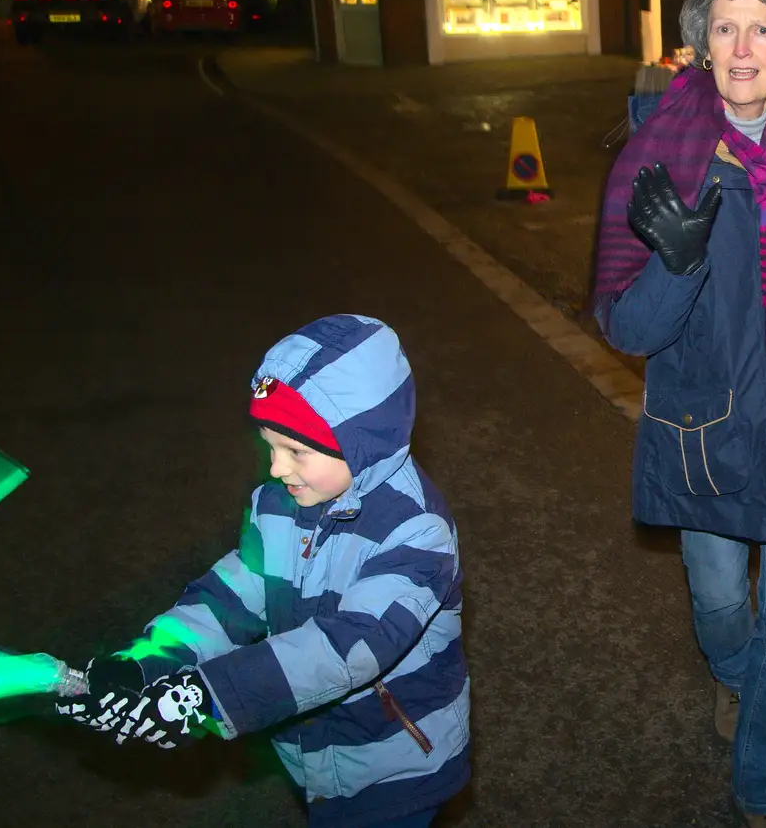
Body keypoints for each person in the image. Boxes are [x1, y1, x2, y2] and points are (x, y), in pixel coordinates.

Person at [593, 0, 766, 828]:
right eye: (725, 28)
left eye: (763, 28)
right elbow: (630, 330)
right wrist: (678, 263)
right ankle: (733, 680)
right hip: (706, 427)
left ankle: (758, 788)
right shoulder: (657, 154)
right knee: (719, 608)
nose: (743, 49)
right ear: (700, 44)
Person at [57, 315, 472, 828]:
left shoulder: (417, 531)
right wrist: (149, 660)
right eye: (270, 445)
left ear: (364, 442)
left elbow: (344, 650)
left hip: (394, 760)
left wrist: (206, 696)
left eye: (295, 451)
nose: (276, 468)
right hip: (315, 747)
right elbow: (232, 594)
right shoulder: (280, 501)